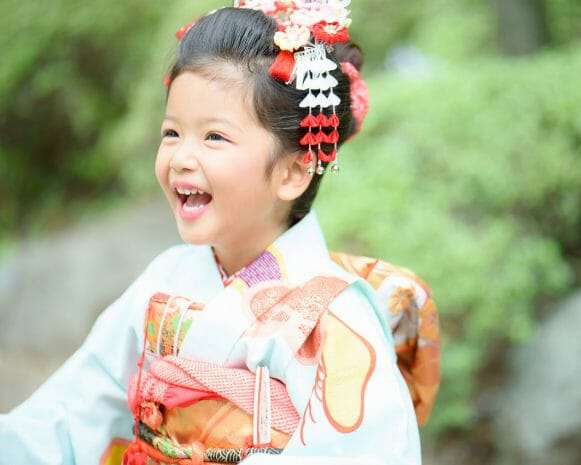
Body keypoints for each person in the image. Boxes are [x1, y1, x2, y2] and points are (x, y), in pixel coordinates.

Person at [0, 2, 440, 464]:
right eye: (172, 133)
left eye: (214, 137)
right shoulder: (166, 276)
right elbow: (73, 413)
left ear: (293, 172)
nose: (182, 158)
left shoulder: (333, 320)